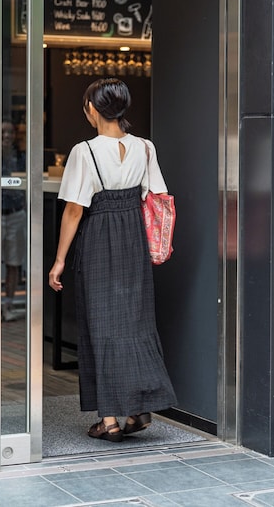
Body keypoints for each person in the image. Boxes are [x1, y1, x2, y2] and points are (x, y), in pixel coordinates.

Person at [48, 78, 177, 442]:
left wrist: (59, 261)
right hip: (133, 240)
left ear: (91, 108)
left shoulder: (84, 152)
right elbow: (158, 195)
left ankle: (109, 421)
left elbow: (74, 210)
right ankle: (138, 410)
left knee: (100, 326)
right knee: (136, 324)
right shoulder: (145, 148)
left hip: (98, 240)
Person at [1, 119, 26, 322]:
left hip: (16, 213)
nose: (7, 136)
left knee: (14, 262)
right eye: (2, 133)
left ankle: (8, 306)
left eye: (10, 132)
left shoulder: (21, 156)